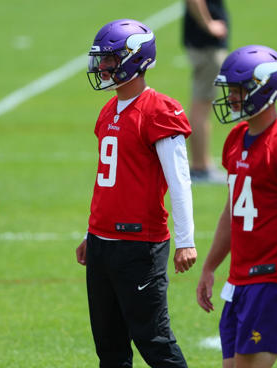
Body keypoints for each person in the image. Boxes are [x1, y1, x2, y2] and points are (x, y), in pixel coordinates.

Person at [75, 19, 198, 368]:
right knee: (110, 348)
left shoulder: (159, 110)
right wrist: (91, 232)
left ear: (135, 59)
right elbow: (106, 181)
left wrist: (186, 239)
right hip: (102, 243)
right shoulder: (107, 111)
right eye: (102, 59)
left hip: (138, 244)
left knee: (155, 342)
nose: (102, 67)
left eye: (110, 59)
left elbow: (179, 179)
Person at [196, 45, 277, 368]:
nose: (232, 98)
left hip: (275, 279)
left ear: (266, 89)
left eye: (239, 90)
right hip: (240, 280)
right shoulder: (235, 138)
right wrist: (211, 266)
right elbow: (232, 212)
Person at [183, 0, 229, 183]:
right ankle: (200, 166)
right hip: (206, 43)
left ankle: (202, 164)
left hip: (203, 42)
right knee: (202, 105)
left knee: (202, 104)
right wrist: (208, 23)